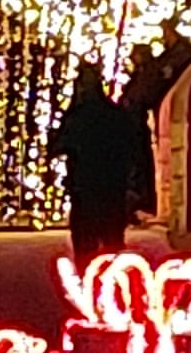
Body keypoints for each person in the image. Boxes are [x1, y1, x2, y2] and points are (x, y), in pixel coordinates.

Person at [52, 65, 144, 253]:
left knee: (86, 239)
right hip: (112, 184)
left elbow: (59, 145)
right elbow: (132, 146)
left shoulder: (77, 116)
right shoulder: (116, 115)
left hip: (86, 184)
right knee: (112, 238)